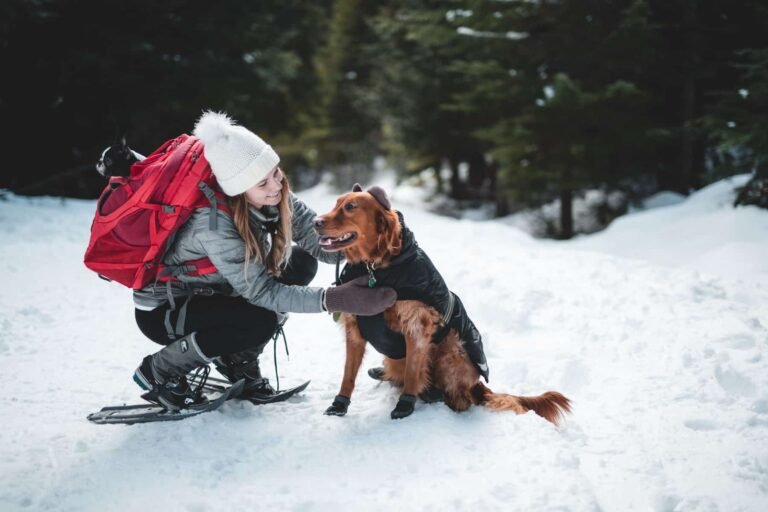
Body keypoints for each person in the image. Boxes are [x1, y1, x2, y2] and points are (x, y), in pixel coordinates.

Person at [132, 111, 396, 410]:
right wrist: (336, 299)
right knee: (259, 321)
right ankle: (159, 371)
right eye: (262, 183)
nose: (276, 186)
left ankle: (236, 360)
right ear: (238, 189)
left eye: (275, 172)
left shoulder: (275, 195)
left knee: (300, 263)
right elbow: (263, 293)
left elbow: (318, 244)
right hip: (166, 310)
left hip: (216, 292)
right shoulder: (214, 225)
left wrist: (366, 242)